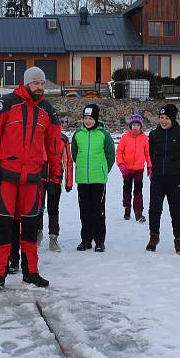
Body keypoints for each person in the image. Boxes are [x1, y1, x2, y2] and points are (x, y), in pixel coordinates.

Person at [0, 66, 62, 291]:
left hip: (32, 179)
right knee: (4, 227)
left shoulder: (47, 111)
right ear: (26, 83)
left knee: (30, 227)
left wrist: (56, 174)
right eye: (36, 83)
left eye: (43, 83)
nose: (40, 87)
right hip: (7, 177)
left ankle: (31, 272)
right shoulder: (6, 104)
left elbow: (54, 146)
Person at [146, 104, 180, 254]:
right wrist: (154, 170)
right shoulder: (153, 135)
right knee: (154, 210)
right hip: (158, 178)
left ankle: (179, 240)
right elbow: (151, 153)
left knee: (176, 211)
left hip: (175, 179)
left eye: (166, 118)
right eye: (161, 118)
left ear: (172, 119)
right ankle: (154, 237)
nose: (163, 121)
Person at [72, 104, 115, 252]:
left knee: (98, 210)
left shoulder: (104, 135)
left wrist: (103, 170)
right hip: (83, 179)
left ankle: (99, 241)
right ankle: (86, 240)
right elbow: (74, 154)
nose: (88, 121)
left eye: (90, 118)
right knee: (84, 210)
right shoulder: (78, 134)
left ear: (96, 119)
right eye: (85, 118)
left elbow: (110, 156)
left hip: (98, 180)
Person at [37, 116, 74, 252]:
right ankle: (37, 232)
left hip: (55, 179)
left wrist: (68, 181)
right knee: (37, 207)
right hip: (38, 179)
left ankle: (53, 237)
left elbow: (68, 161)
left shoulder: (63, 139)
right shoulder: (38, 136)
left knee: (53, 209)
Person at [116, 113, 152, 222]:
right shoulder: (125, 137)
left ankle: (138, 212)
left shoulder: (145, 139)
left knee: (138, 191)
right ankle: (127, 209)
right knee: (127, 190)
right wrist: (121, 164)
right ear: (130, 126)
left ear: (141, 126)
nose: (135, 127)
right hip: (126, 169)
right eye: (133, 125)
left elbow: (148, 154)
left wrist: (150, 166)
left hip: (138, 169)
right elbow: (119, 152)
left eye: (138, 125)